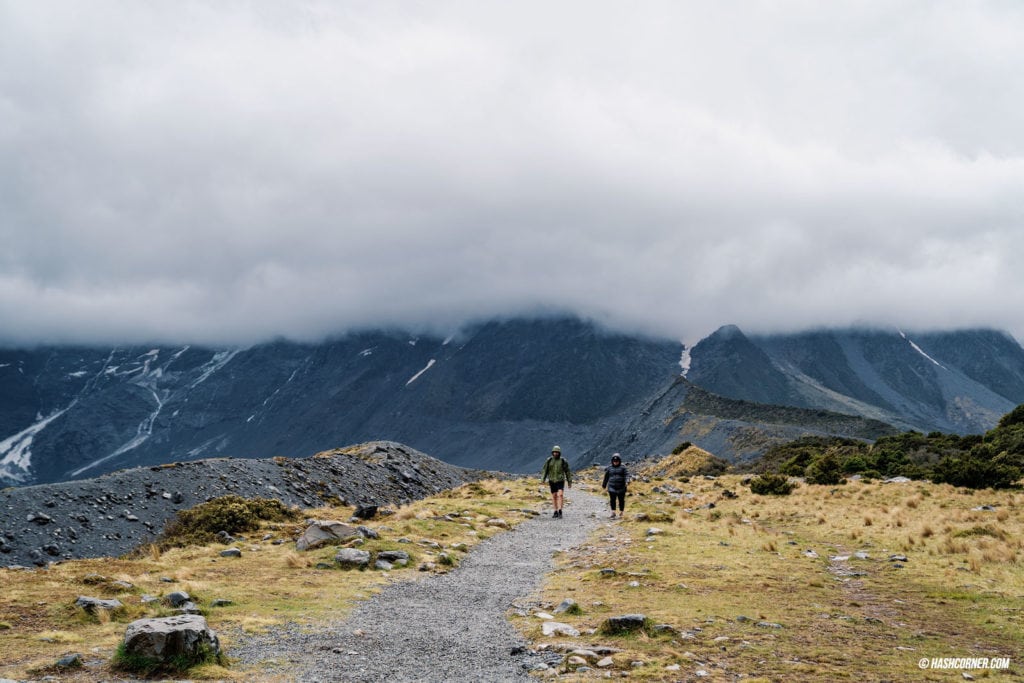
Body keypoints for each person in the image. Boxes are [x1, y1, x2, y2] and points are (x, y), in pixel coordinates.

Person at [540, 445, 572, 518]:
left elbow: (567, 471)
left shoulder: (563, 461)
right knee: (554, 496)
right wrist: (543, 480)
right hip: (552, 480)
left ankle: (560, 511)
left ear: (559, 453)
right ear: (552, 452)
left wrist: (569, 482)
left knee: (560, 495)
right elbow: (545, 470)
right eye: (554, 452)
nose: (555, 453)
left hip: (560, 480)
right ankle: (555, 511)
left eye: (557, 452)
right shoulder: (549, 460)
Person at [601, 453, 628, 519]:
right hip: (611, 487)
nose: (615, 462)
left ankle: (621, 513)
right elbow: (606, 477)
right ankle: (613, 513)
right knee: (612, 500)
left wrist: (627, 481)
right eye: (614, 461)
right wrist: (604, 485)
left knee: (621, 500)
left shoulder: (623, 468)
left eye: (617, 461)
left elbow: (626, 475)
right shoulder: (609, 468)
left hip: (621, 487)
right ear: (612, 461)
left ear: (619, 461)